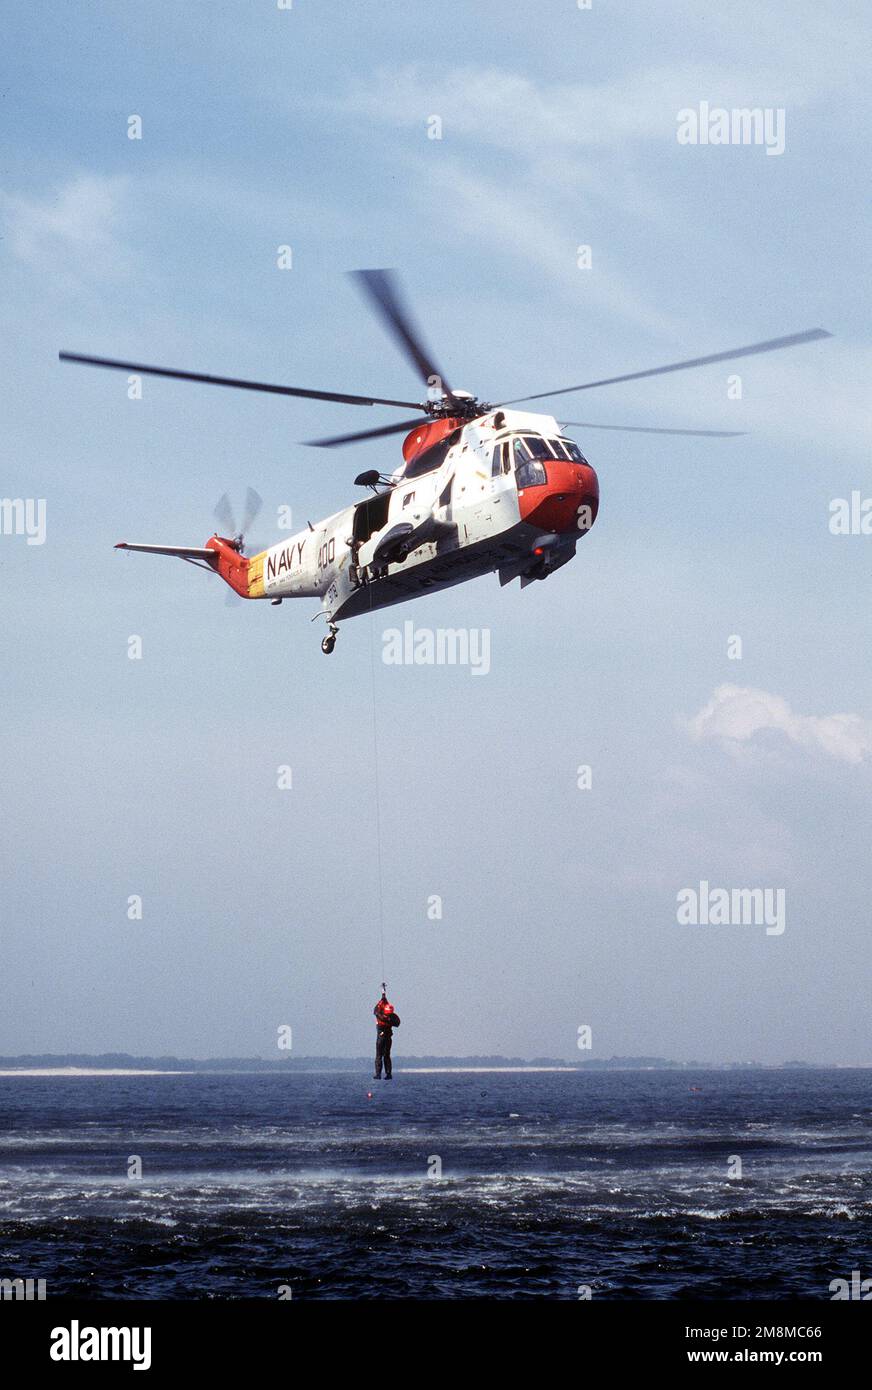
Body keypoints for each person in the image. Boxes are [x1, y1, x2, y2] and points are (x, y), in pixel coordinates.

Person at [373, 989, 401, 1080]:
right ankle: (388, 1074)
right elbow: (397, 1023)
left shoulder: (380, 1015)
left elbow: (376, 1010)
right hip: (388, 1038)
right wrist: (384, 997)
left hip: (381, 1038)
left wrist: (383, 998)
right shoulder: (393, 1017)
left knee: (379, 1055)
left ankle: (378, 1074)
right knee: (386, 1056)